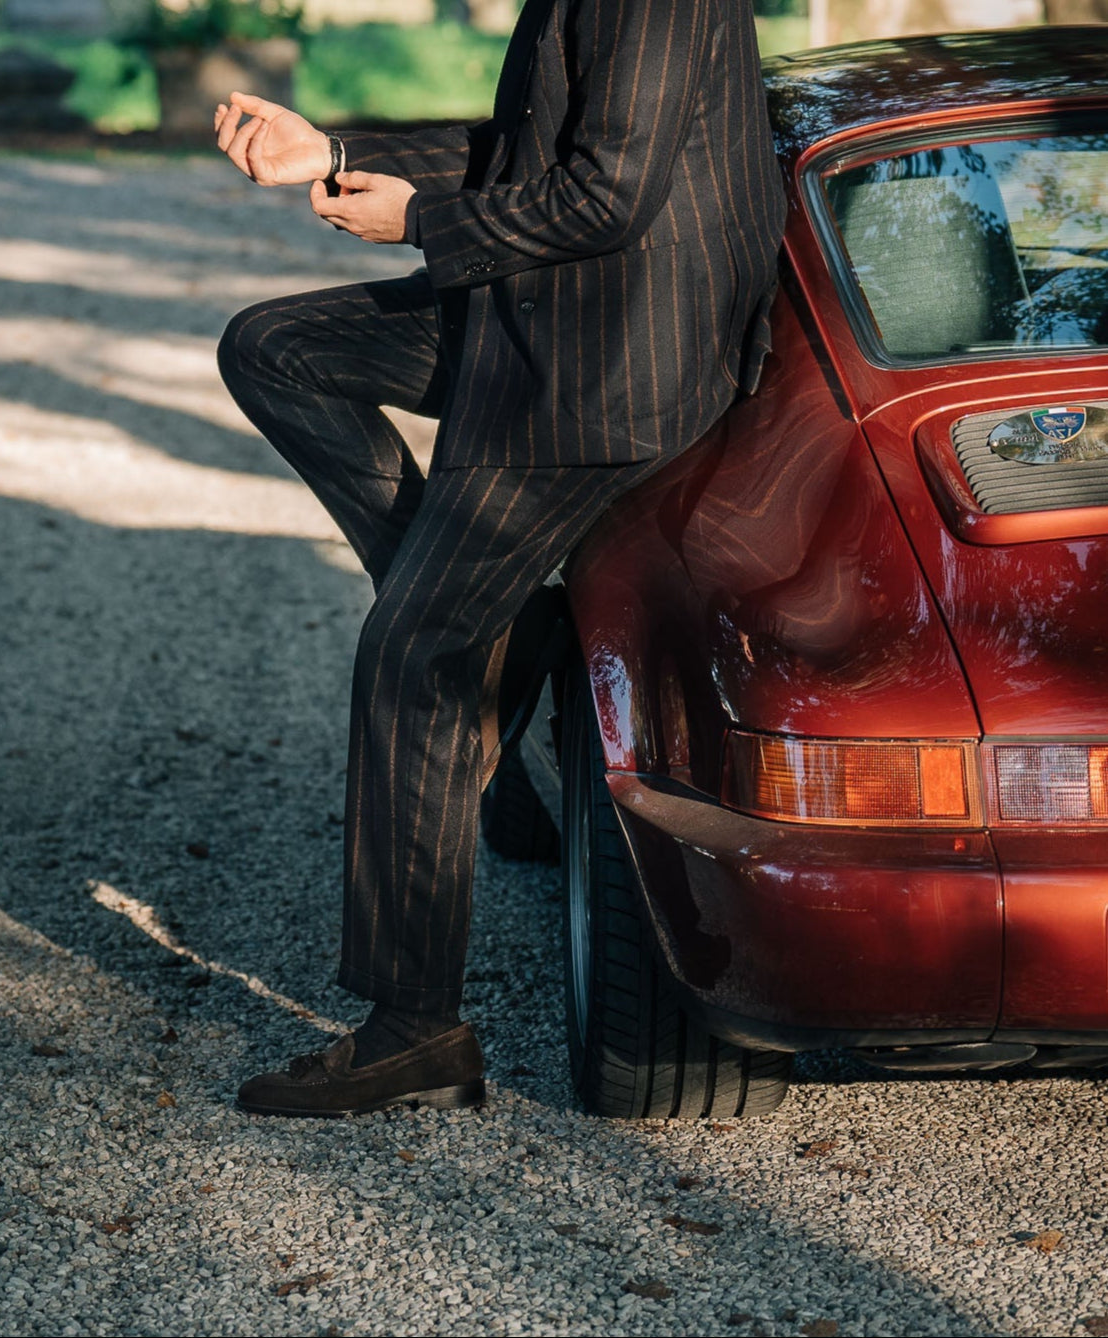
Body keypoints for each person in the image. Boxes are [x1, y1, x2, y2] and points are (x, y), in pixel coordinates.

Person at [215, 0, 784, 1117]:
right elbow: (535, 150)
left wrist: (424, 219)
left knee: (413, 655)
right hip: (554, 305)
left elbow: (610, 193)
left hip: (609, 364)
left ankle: (415, 1029)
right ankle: (506, 627)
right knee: (276, 346)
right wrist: (331, 151)